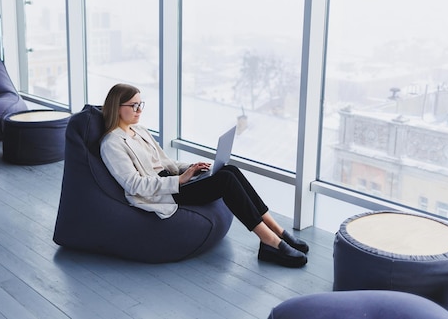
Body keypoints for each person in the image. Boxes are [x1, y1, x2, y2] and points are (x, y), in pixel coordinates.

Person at [100, 83, 308, 268]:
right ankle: (270, 242)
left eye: (140, 104)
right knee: (225, 181)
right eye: (133, 105)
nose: (139, 110)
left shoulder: (140, 131)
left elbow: (166, 163)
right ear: (117, 107)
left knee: (230, 170)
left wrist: (191, 168)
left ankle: (277, 230)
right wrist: (179, 180)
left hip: (173, 181)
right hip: (160, 193)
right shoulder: (112, 144)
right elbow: (134, 185)